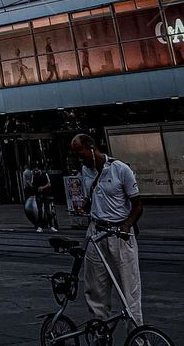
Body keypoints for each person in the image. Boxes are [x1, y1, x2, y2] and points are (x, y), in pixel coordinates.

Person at [71, 134, 142, 327]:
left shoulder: (121, 169)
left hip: (119, 233)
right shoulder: (86, 171)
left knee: (130, 290)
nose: (80, 158)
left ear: (91, 147)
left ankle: (137, 336)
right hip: (96, 232)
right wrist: (84, 206)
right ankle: (100, 332)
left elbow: (137, 205)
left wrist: (127, 225)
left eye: (81, 153)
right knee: (95, 289)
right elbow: (92, 198)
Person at [31, 165, 57, 232]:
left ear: (39, 170)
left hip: (45, 194)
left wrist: (42, 188)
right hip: (38, 195)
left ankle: (51, 226)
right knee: (40, 211)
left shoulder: (45, 175)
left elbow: (49, 184)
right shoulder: (34, 176)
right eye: (35, 170)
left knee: (47, 211)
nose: (36, 171)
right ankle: (40, 226)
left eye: (37, 170)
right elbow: (33, 185)